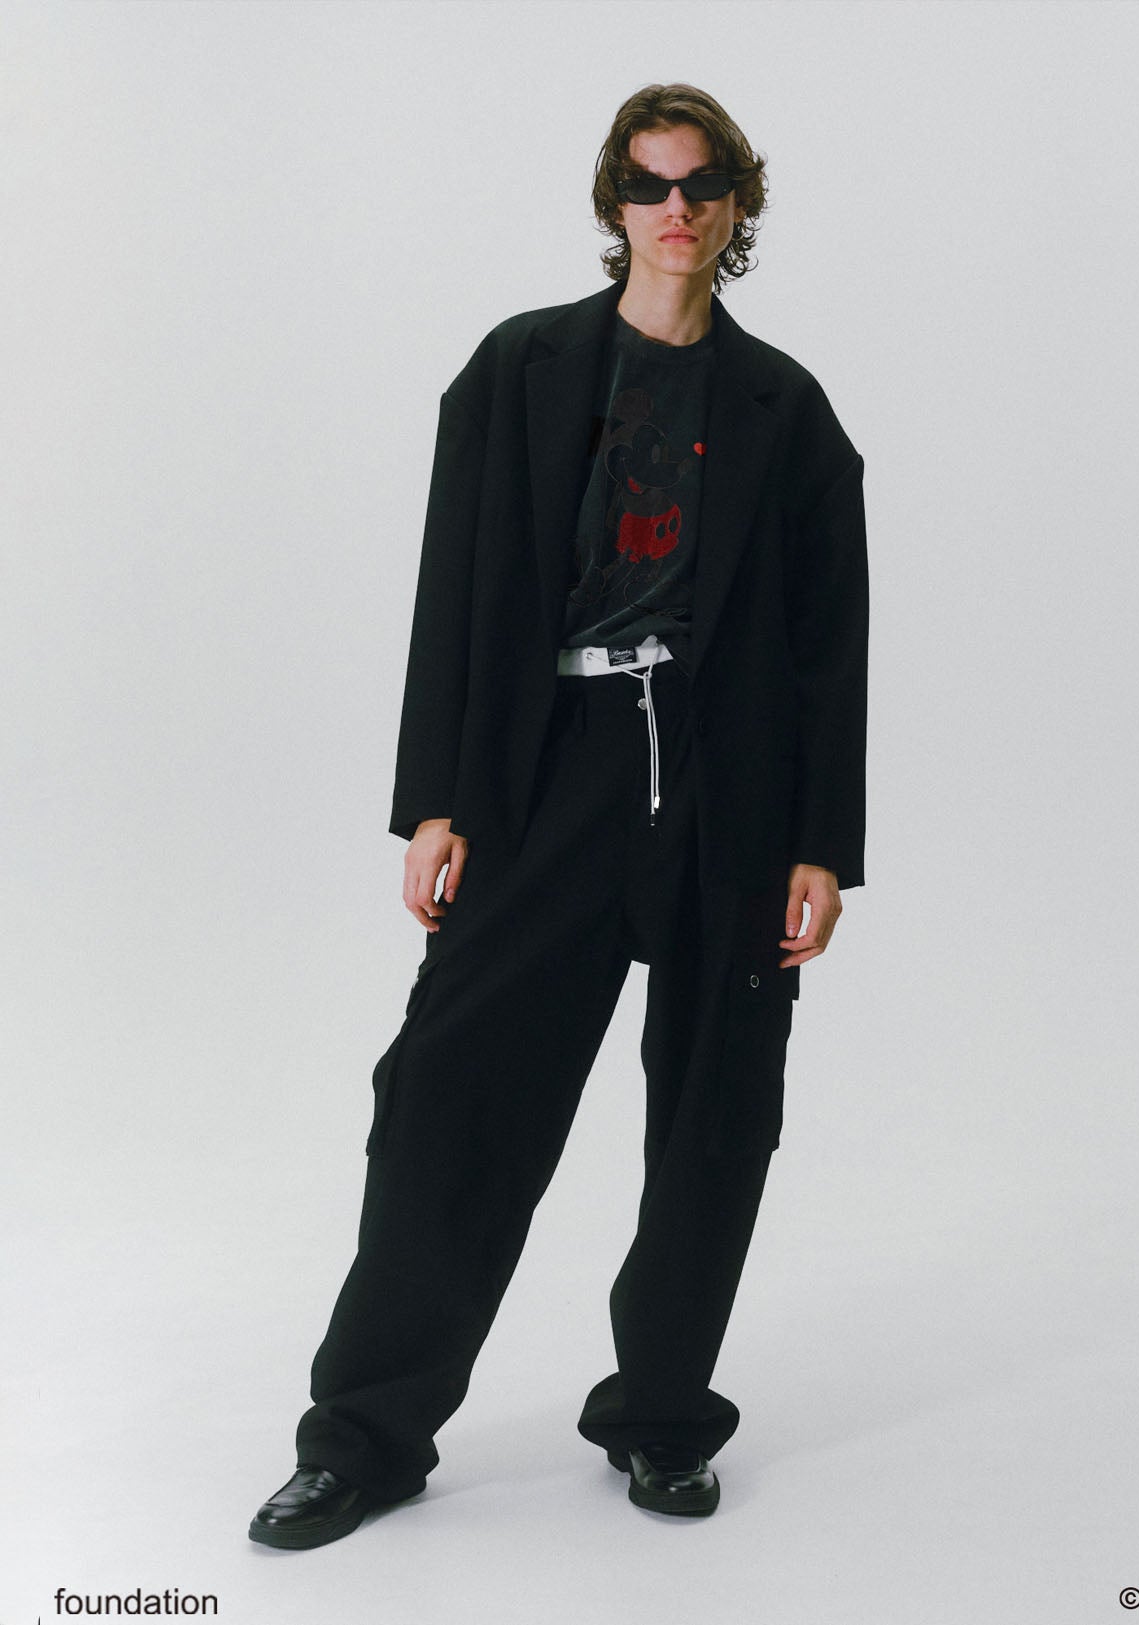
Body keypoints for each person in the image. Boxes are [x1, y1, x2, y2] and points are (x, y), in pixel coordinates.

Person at [249, 82, 869, 1550]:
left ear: (735, 206)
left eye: (701, 185)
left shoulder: (786, 410)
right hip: (553, 772)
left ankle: (662, 1418)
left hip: (726, 780)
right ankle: (365, 1437)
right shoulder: (518, 372)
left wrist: (821, 842)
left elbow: (828, 636)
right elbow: (454, 590)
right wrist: (438, 800)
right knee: (449, 1098)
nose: (676, 209)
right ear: (615, 205)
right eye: (650, 185)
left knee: (717, 1111)